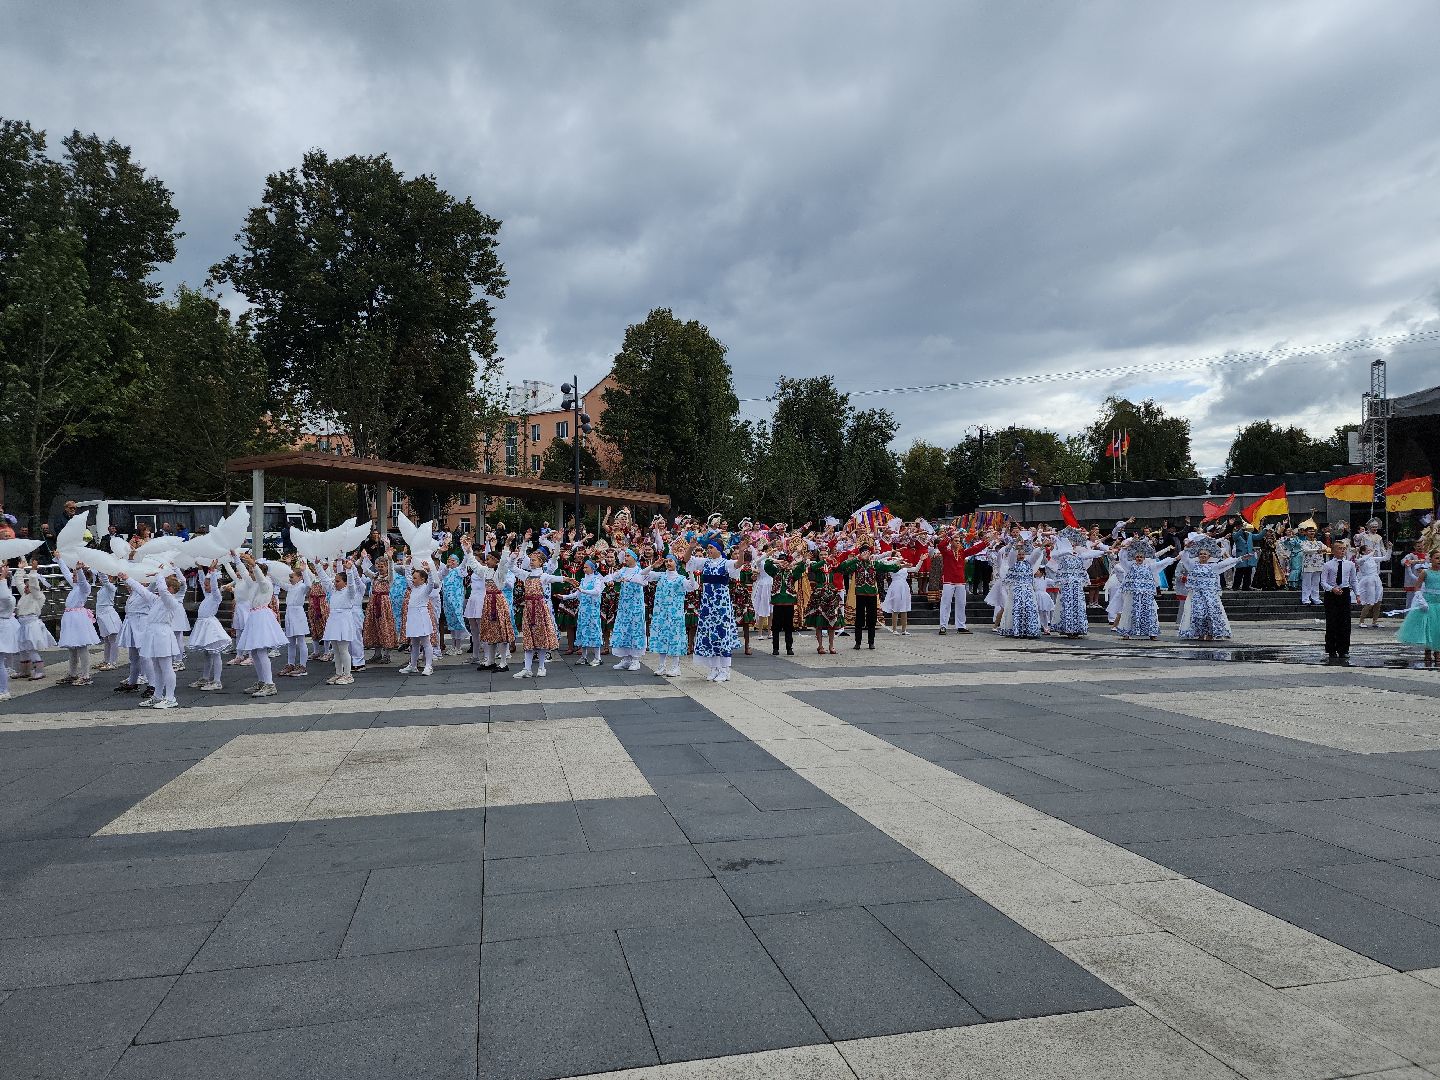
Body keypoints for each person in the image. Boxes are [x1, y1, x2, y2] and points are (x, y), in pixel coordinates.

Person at [680, 537, 743, 681]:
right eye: (708, 548)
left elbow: (738, 564)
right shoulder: (705, 562)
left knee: (722, 633)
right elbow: (687, 560)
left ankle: (725, 670)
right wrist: (690, 547)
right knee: (709, 633)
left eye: (711, 548)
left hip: (721, 605)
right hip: (708, 605)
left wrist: (742, 551)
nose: (708, 550)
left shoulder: (725, 563)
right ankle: (714, 668)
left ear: (718, 549)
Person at [235, 554, 288, 696]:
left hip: (261, 617)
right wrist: (236, 558)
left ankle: (270, 684)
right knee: (254, 651)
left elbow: (260, 578)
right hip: (254, 617)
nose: (250, 574)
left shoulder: (266, 584)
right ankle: (262, 681)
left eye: (253, 572)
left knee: (261, 651)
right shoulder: (253, 584)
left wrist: (254, 566)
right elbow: (244, 574)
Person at [836, 542, 903, 650]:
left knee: (872, 619)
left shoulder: (874, 563)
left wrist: (900, 565)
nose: (866, 554)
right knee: (859, 619)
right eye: (863, 552)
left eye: (867, 552)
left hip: (872, 594)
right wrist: (855, 559)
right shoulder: (856, 564)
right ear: (860, 554)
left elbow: (887, 567)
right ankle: (858, 642)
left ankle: (871, 642)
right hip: (860, 594)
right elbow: (841, 569)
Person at [1177, 538, 1240, 641]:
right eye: (1201, 554)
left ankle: (1210, 634)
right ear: (1198, 555)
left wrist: (1240, 559)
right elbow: (1185, 559)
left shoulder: (1213, 566)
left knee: (1210, 614)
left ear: (1209, 556)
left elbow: (1226, 564)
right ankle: (1200, 633)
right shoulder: (1193, 566)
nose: (1203, 556)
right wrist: (1186, 548)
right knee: (1198, 614)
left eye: (1205, 554)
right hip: (1197, 595)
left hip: (1210, 596)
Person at [933, 528, 987, 635]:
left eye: (959, 541)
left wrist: (986, 542)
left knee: (961, 603)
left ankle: (961, 626)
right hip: (948, 580)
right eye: (956, 541)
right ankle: (943, 626)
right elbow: (940, 546)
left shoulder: (962, 552)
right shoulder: (947, 552)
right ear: (952, 542)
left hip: (960, 581)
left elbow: (974, 549)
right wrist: (951, 537)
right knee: (945, 603)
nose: (958, 543)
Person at [55, 560, 101, 686]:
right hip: (70, 619)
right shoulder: (76, 586)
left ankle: (85, 675)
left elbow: (81, 580)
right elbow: (65, 573)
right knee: (72, 647)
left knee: (81, 646)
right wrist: (59, 560)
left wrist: (79, 570)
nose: (72, 576)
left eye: (75, 575)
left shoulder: (85, 588)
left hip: (78, 618)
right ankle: (72, 673)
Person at [647, 554, 693, 677]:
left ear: (676, 563)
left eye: (671, 561)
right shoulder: (661, 576)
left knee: (675, 639)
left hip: (675, 614)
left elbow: (693, 587)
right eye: (666, 561)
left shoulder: (681, 578)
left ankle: (675, 666)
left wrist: (692, 574)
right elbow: (644, 574)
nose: (668, 563)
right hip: (661, 613)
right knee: (662, 638)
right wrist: (653, 566)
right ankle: (662, 666)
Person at [187, 564, 231, 691]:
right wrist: (201, 569)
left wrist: (212, 572)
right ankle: (205, 677)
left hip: (210, 627)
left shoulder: (216, 597)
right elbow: (201, 582)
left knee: (215, 652)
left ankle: (217, 680)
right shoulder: (207, 596)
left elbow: (215, 588)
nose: (205, 587)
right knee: (207, 653)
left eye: (208, 585)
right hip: (202, 625)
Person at [1396, 549, 1440, 663]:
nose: (1439, 560)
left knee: (1438, 629)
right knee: (1429, 628)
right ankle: (1428, 651)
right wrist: (1420, 599)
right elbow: (1417, 586)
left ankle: (1438, 651)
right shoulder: (1426, 572)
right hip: (1429, 604)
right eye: (1437, 558)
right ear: (1431, 559)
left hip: (1439, 604)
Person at [399, 566, 438, 676]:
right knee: (414, 643)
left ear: (422, 579)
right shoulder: (414, 587)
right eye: (413, 577)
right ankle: (413, 665)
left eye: (415, 578)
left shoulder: (425, 588)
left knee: (426, 642)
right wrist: (407, 565)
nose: (412, 579)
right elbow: (407, 577)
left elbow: (431, 583)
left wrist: (429, 572)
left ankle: (428, 666)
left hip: (421, 617)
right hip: (412, 616)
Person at [1321, 540, 1356, 659]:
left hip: (1344, 592)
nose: (1342, 551)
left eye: (1344, 548)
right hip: (1331, 594)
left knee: (1345, 622)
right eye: (1340, 548)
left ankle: (1344, 649)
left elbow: (1353, 580)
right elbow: (1323, 582)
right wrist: (1332, 589)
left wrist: (1358, 594)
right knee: (1332, 622)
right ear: (1334, 550)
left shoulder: (1350, 564)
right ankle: (1331, 649)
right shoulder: (1328, 565)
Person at [764, 550, 799, 656]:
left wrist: (795, 561)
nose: (783, 563)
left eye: (785, 561)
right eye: (782, 561)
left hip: (789, 602)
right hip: (778, 602)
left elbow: (801, 568)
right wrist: (776, 561)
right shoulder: (775, 572)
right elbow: (767, 564)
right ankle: (775, 648)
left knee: (789, 626)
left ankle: (789, 647)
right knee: (776, 627)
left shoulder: (792, 573)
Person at [1353, 539, 1391, 629]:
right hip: (1368, 580)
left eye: (1370, 550)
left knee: (1378, 602)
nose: (1370, 551)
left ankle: (1375, 621)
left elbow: (1386, 558)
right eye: (1368, 550)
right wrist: (1372, 552)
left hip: (1376, 579)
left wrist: (1389, 548)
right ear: (1363, 551)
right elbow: (1364, 559)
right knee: (1370, 603)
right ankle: (1361, 621)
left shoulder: (1372, 559)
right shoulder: (1360, 560)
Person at [0, 563, 17, 702]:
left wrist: (3, 578)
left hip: (2, 627)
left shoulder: (8, 597)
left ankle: (4, 690)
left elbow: (4, 596)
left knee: (0, 663)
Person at [1298, 527, 1327, 606]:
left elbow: (1326, 548)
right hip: (1308, 565)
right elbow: (1306, 550)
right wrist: (1317, 550)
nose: (1312, 532)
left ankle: (1315, 598)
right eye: (1310, 531)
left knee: (1316, 583)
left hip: (1318, 564)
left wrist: (1323, 549)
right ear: (1306, 533)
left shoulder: (1319, 543)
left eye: (1313, 531)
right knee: (1307, 583)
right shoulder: (1303, 542)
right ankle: (1305, 599)